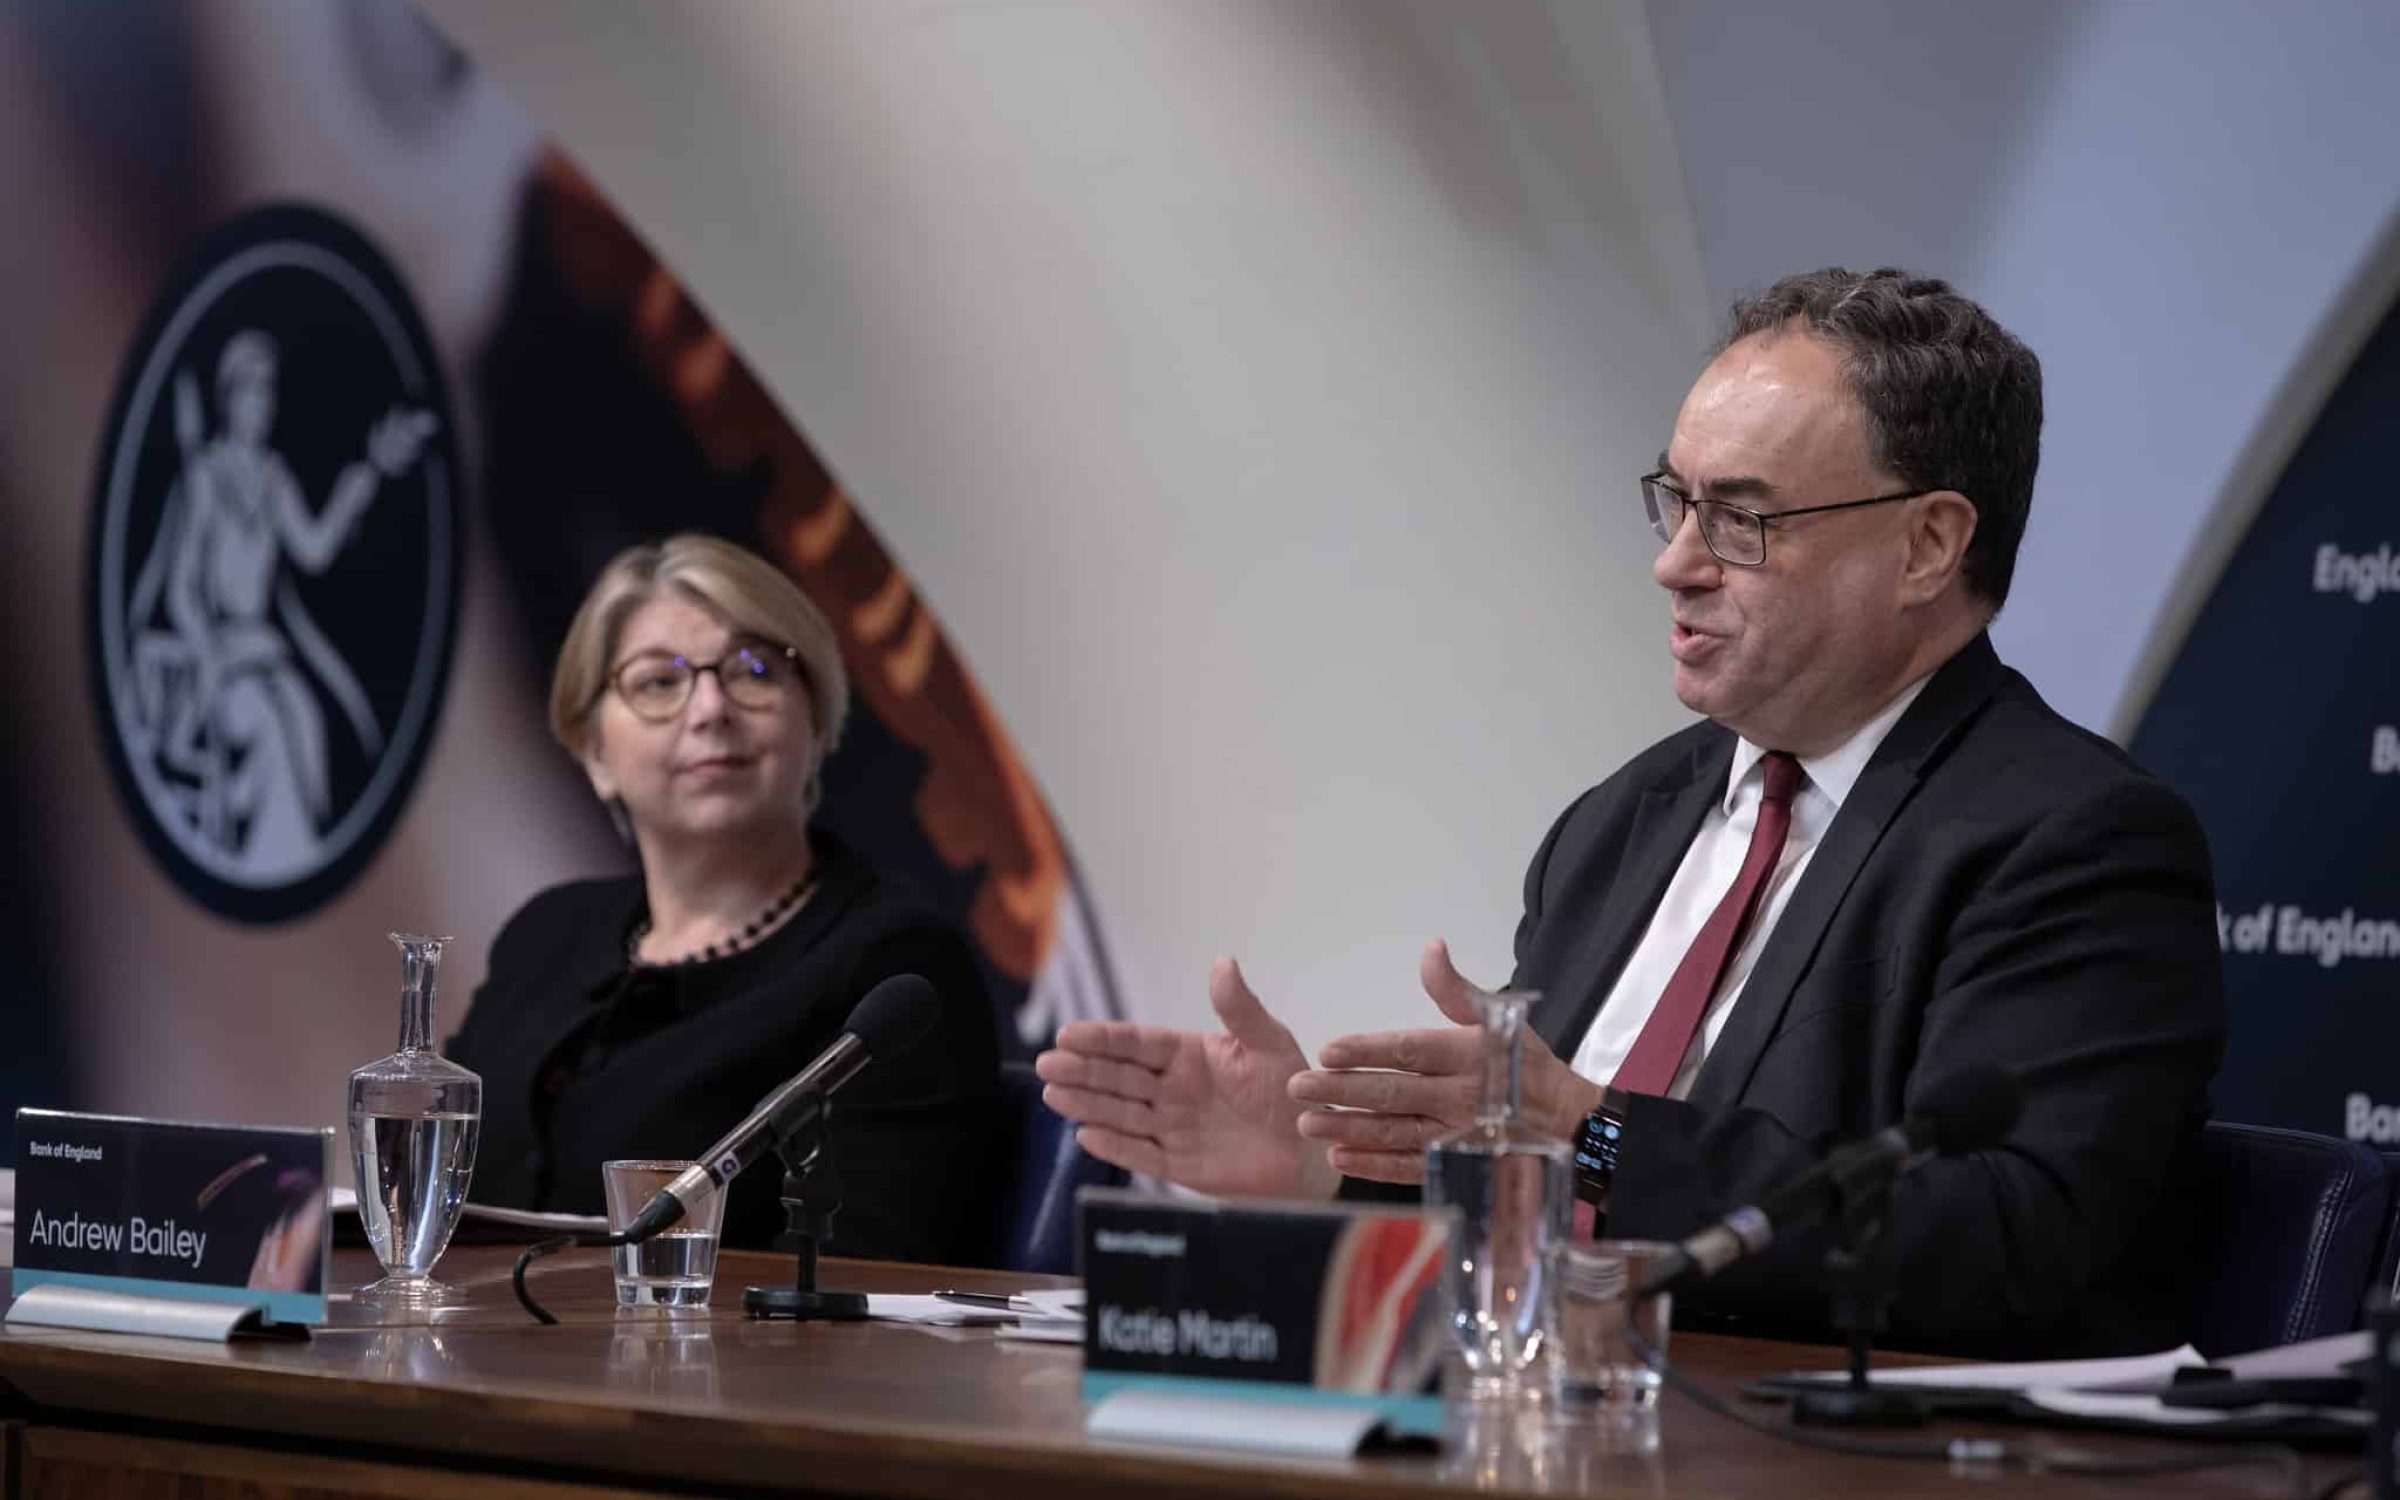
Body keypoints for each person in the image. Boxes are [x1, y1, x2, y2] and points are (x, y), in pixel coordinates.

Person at [1037, 269, 2227, 1357]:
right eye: (1678, 502)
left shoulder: (2070, 843)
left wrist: (1593, 1131)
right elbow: (1539, 1181)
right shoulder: (1626, 821)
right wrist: (1319, 1171)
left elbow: (2009, 1240)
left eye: (1745, 519)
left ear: (1928, 543)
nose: (1679, 563)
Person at [451, 534, 1002, 1262]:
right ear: (594, 752)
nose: (710, 708)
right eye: (657, 683)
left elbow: (870, 1274)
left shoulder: (893, 966)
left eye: (754, 672)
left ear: (816, 721)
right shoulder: (545, 935)